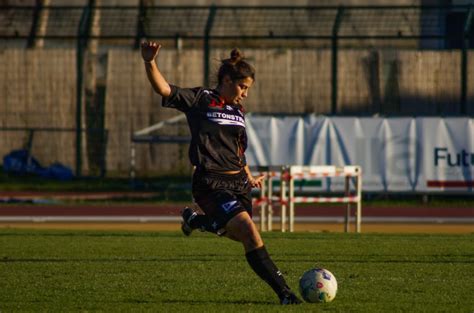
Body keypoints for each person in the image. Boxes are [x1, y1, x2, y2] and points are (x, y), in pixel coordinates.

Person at [141, 41, 301, 305]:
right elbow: (164, 88)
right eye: (242, 87)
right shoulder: (200, 99)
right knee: (249, 232)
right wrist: (150, 62)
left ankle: (195, 221)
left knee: (236, 233)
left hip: (238, 182)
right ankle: (285, 294)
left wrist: (248, 176)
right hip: (211, 183)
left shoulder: (238, 111)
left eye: (248, 89)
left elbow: (237, 150)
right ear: (226, 80)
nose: (245, 94)